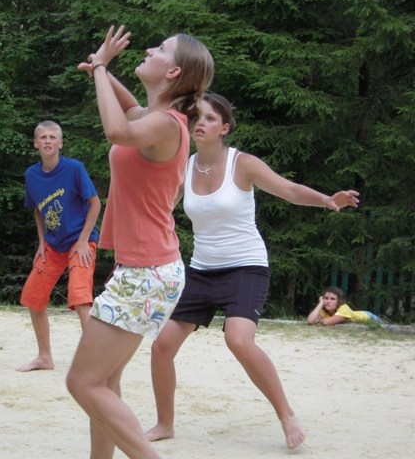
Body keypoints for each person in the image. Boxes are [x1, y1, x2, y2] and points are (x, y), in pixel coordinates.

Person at [145, 92, 360, 449]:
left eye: (210, 118)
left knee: (238, 340)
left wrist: (326, 200)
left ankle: (286, 414)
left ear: (225, 127)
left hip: (246, 267)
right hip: (201, 270)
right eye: (196, 117)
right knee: (161, 347)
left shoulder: (242, 163)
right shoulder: (184, 165)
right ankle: (165, 424)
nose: (200, 123)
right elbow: (160, 205)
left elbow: (288, 189)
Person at [65, 25, 214, 459]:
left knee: (83, 382)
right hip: (147, 269)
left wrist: (101, 70)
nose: (150, 49)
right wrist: (101, 68)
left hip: (147, 272)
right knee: (104, 381)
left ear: (174, 71)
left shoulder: (167, 125)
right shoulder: (160, 119)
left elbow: (117, 130)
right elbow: (129, 111)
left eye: (161, 49)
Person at [17, 120, 101, 372]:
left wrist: (84, 240)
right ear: (35, 144)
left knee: (80, 297)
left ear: (60, 143)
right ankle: (45, 357)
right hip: (53, 245)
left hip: (80, 241)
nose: (48, 141)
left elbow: (95, 204)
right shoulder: (31, 175)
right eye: (43, 137)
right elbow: (37, 210)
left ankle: (95, 363)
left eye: (52, 137)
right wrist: (42, 242)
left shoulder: (74, 168)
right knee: (33, 298)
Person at [307, 286, 380, 325]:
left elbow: (326, 322)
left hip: (369, 317)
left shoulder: (344, 308)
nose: (328, 301)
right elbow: (310, 321)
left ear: (339, 301)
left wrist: (320, 320)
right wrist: (320, 303)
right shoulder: (324, 310)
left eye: (332, 299)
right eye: (326, 298)